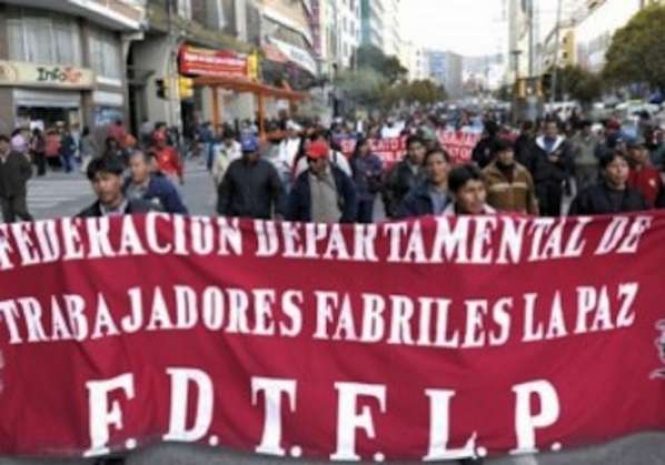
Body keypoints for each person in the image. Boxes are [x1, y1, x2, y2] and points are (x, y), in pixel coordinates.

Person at [286, 140, 357, 223]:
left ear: (325, 159)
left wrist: (347, 220)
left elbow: (352, 196)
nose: (311, 163)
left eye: (315, 160)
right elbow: (292, 206)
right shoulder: (302, 180)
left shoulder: (339, 176)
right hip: (311, 230)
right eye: (309, 160)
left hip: (335, 229)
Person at [217, 136, 284, 220]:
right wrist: (221, 210)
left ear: (257, 151)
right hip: (238, 218)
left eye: (250, 152)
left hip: (261, 218)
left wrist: (279, 211)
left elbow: (278, 191)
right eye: (245, 152)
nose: (248, 155)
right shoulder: (234, 167)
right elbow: (225, 190)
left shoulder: (267, 168)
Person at [568, 151, 648, 216]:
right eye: (614, 166)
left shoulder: (637, 197)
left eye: (624, 165)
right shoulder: (588, 196)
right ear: (603, 171)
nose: (619, 170)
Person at [78, 155, 155, 218]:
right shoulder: (84, 220)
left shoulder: (147, 212)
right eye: (95, 181)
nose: (101, 185)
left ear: (120, 179)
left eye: (106, 179)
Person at [527, 120, 573, 217]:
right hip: (540, 181)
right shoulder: (536, 144)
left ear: (557, 130)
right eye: (548, 128)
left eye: (553, 128)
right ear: (544, 130)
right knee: (541, 209)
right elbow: (530, 162)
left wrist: (558, 160)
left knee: (555, 209)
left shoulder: (564, 144)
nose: (550, 131)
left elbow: (569, 162)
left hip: (556, 181)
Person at [482, 139, 539, 215]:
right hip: (498, 222)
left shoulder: (523, 172)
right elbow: (482, 202)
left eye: (509, 152)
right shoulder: (486, 174)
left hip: (522, 221)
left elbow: (531, 199)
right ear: (496, 154)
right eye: (502, 152)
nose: (506, 156)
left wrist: (535, 217)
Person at [397, 148, 451, 218]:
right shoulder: (413, 197)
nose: (435, 168)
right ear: (425, 168)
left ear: (448, 166)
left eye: (439, 163)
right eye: (430, 164)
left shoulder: (458, 192)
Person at [384, 135, 427, 218]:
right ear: (407, 151)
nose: (415, 153)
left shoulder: (430, 168)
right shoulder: (397, 169)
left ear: (424, 149)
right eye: (412, 149)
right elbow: (388, 192)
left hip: (426, 217)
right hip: (404, 217)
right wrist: (394, 212)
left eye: (418, 148)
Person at [0, 134, 33, 223]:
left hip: (18, 190)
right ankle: (11, 235)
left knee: (19, 210)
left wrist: (21, 179)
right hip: (3, 191)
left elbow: (28, 170)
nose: (1, 146)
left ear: (8, 144)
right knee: (7, 217)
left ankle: (30, 222)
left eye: (3, 143)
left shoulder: (18, 155)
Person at [350, 138, 384, 223]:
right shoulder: (353, 159)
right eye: (362, 146)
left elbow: (380, 170)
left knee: (367, 219)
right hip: (356, 192)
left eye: (365, 145)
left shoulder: (374, 158)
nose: (363, 148)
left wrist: (372, 173)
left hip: (368, 192)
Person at [627, 138, 663, 208]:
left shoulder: (654, 173)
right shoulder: (620, 173)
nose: (642, 152)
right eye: (638, 149)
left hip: (652, 216)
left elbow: (660, 199)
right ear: (628, 151)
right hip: (628, 216)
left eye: (645, 149)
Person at [569, 120, 600, 192]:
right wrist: (574, 149)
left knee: (593, 188)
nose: (587, 130)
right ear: (581, 129)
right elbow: (570, 153)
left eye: (589, 128)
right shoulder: (574, 139)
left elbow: (599, 151)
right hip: (579, 166)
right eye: (585, 128)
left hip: (593, 166)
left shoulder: (596, 139)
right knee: (580, 188)